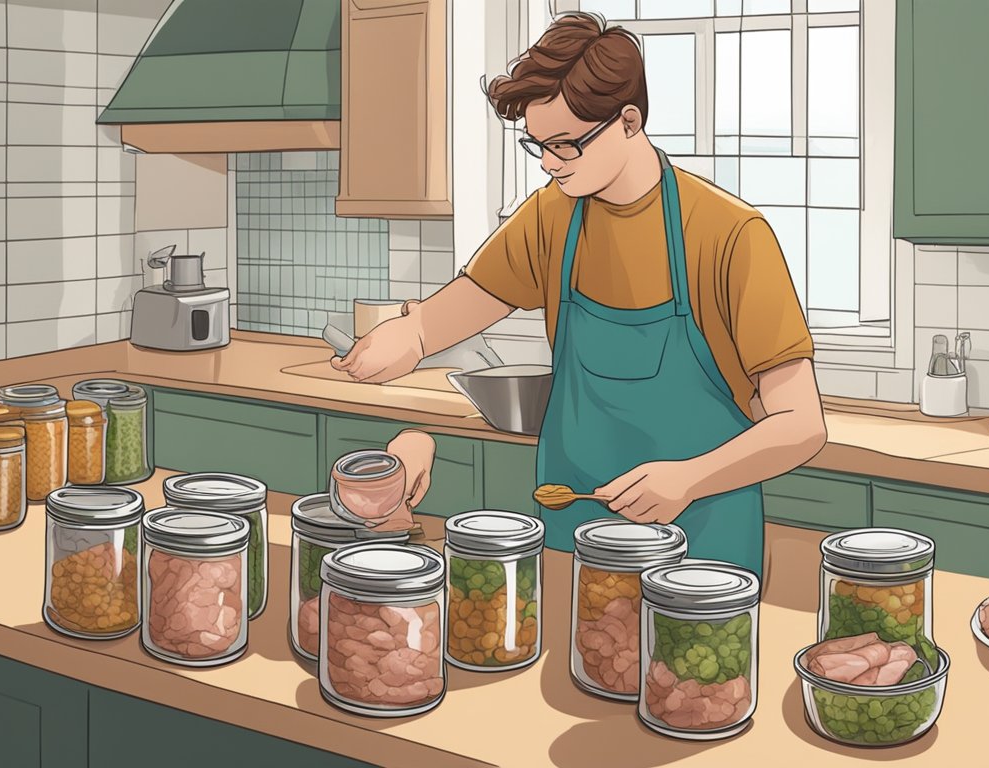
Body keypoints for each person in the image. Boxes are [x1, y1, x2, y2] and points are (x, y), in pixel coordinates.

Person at [333, 13, 826, 576]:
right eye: (537, 145)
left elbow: (801, 424)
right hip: (573, 532)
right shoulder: (554, 215)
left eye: (565, 145)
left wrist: (689, 478)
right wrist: (413, 333)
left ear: (629, 121)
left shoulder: (729, 234)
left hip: (701, 549)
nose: (547, 163)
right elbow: (478, 294)